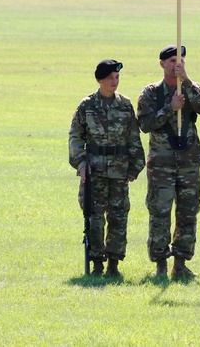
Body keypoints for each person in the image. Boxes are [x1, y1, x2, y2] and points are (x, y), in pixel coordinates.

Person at [137, 45, 200, 278]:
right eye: (171, 61)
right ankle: (160, 263)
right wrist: (170, 109)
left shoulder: (190, 87)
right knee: (160, 213)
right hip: (162, 163)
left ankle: (180, 263)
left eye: (180, 60)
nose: (176, 64)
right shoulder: (151, 93)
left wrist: (187, 82)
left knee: (188, 213)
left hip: (188, 162)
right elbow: (145, 124)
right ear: (162, 64)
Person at [69, 59, 145, 277]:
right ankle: (96, 263)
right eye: (110, 78)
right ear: (100, 80)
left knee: (119, 218)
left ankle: (114, 263)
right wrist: (81, 162)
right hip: (95, 172)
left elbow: (134, 139)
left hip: (119, 171)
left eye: (117, 77)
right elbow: (75, 136)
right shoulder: (87, 105)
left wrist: (135, 166)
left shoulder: (125, 105)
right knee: (95, 217)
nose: (115, 82)